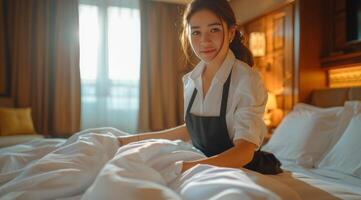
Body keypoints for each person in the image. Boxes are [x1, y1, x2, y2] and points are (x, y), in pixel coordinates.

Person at [118, 0, 268, 173]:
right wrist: (129, 140)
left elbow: (244, 152)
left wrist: (185, 168)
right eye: (196, 32)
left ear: (231, 33)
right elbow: (190, 129)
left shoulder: (247, 80)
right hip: (202, 165)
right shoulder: (190, 80)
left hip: (241, 171)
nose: (205, 41)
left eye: (214, 29)